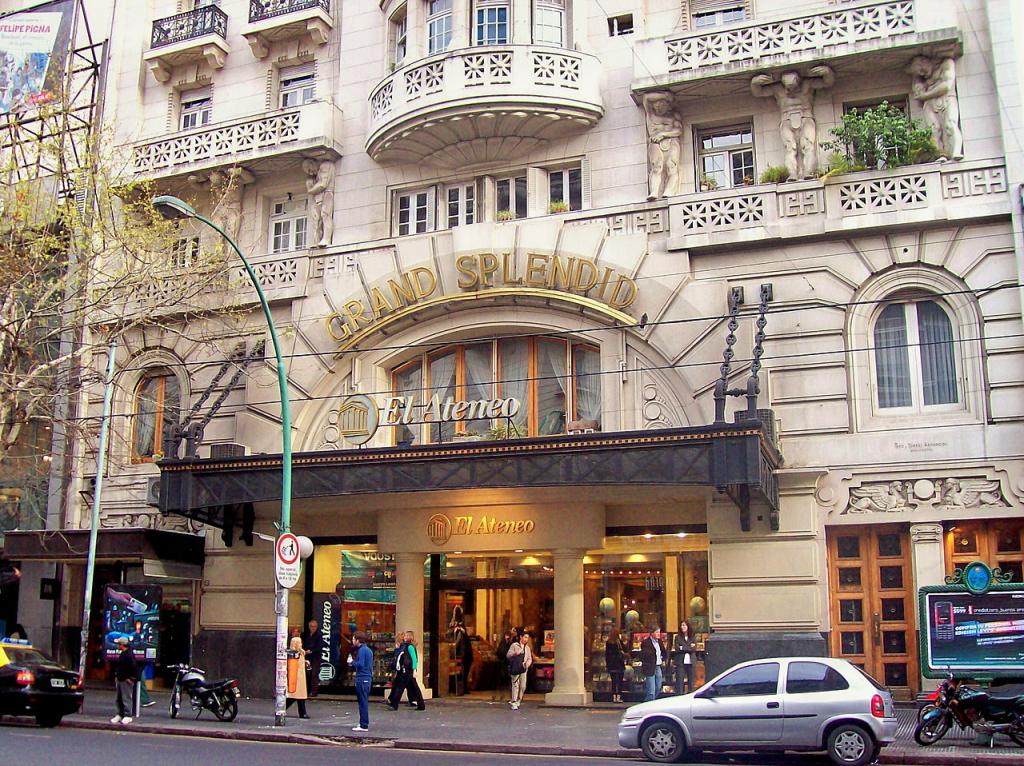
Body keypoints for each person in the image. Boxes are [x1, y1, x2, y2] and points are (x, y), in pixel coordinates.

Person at [750, 66, 834, 179]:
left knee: (808, 146)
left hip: (806, 117)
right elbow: (759, 92)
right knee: (790, 148)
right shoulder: (778, 89)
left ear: (798, 82)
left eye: (793, 87)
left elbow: (827, 83)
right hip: (786, 120)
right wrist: (754, 83)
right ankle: (792, 174)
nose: (790, 91)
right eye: (788, 88)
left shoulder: (807, 85)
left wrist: (827, 72)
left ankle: (809, 172)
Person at [110, 636, 138, 724]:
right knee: (119, 698)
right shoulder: (123, 653)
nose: (117, 645)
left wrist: (131, 678)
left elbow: (134, 668)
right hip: (120, 678)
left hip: (126, 680)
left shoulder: (129, 655)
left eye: (118, 644)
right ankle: (120, 714)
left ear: (122, 644)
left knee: (126, 698)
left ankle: (128, 715)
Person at [350, 630, 373, 732]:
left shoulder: (362, 650)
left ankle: (364, 725)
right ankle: (363, 722)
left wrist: (352, 662)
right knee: (363, 701)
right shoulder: (368, 650)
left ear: (358, 640)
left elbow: (360, 664)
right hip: (367, 678)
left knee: (362, 702)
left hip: (362, 678)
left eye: (353, 639)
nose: (352, 641)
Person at [286, 626, 310, 719]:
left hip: (297, 669)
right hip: (298, 672)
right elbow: (299, 649)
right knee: (299, 693)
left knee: (295, 694)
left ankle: (285, 707)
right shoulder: (297, 642)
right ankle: (302, 712)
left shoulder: (295, 650)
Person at [507, 630, 533, 710]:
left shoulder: (527, 648)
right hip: (515, 667)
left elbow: (529, 658)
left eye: (527, 638)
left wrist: (527, 665)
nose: (526, 639)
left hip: (523, 668)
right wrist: (515, 654)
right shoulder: (514, 645)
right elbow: (508, 655)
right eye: (525, 637)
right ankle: (514, 701)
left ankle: (519, 699)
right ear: (521, 637)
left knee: (523, 686)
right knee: (515, 684)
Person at [402, 631, 426, 710]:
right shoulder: (409, 646)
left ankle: (420, 704)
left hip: (410, 670)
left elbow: (414, 659)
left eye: (406, 636)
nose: (404, 637)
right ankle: (415, 701)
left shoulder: (410, 647)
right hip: (409, 670)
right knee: (411, 686)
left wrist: (414, 670)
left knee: (415, 687)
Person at [640, 627, 665, 702]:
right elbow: (645, 654)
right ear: (652, 633)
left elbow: (663, 651)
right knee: (651, 689)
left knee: (658, 686)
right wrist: (654, 654)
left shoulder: (660, 642)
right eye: (657, 632)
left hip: (658, 666)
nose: (658, 634)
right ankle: (649, 703)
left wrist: (663, 658)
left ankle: (649, 701)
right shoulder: (646, 642)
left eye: (659, 632)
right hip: (650, 666)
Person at [672, 621, 697, 695]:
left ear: (688, 626)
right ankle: (679, 695)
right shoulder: (677, 637)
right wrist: (689, 647)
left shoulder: (692, 637)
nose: (682, 627)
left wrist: (683, 647)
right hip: (680, 662)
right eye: (681, 625)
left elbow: (694, 648)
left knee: (691, 681)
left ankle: (690, 695)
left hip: (691, 662)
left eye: (684, 625)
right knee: (679, 681)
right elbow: (677, 648)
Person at [605, 628, 627, 703]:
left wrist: (607, 665)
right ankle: (619, 696)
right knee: (620, 681)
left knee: (614, 681)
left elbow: (607, 655)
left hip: (612, 664)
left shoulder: (608, 642)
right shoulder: (619, 642)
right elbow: (625, 649)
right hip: (619, 664)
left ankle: (614, 696)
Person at [386, 633, 406, 709]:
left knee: (399, 687)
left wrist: (397, 648)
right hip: (402, 669)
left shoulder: (402, 647)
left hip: (402, 669)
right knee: (397, 685)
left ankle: (394, 703)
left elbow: (398, 656)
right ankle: (392, 700)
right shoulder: (404, 646)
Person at [303, 618, 322, 698]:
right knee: (307, 675)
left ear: (316, 627)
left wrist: (311, 651)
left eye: (314, 626)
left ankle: (314, 692)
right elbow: (303, 644)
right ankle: (306, 691)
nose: (312, 628)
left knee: (314, 674)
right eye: (311, 626)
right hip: (307, 657)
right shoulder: (306, 635)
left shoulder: (319, 635)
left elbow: (320, 646)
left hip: (315, 657)